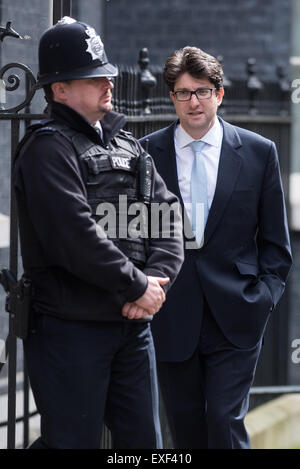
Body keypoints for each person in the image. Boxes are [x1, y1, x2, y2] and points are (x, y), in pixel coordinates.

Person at [13, 17, 183, 449]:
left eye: (106, 73)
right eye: (92, 77)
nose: (107, 83)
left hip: (131, 325)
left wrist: (155, 282)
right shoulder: (48, 149)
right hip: (70, 329)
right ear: (60, 90)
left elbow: (166, 214)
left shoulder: (127, 143)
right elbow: (75, 236)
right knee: (72, 441)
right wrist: (136, 285)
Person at [139, 46, 292, 449]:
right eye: (183, 92)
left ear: (219, 94)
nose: (194, 101)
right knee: (186, 429)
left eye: (203, 91)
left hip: (237, 314)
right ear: (171, 97)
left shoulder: (259, 152)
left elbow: (276, 246)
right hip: (172, 315)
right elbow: (135, 236)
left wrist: (262, 298)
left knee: (224, 424)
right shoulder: (147, 153)